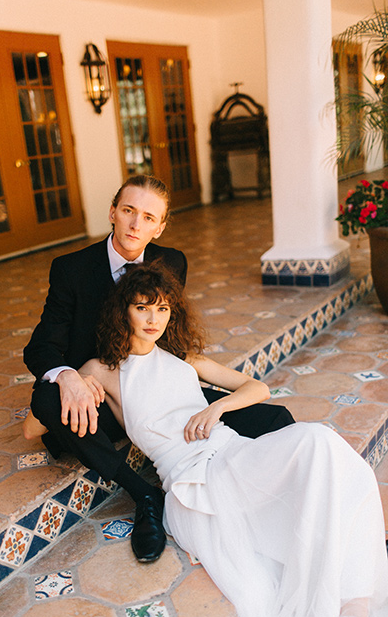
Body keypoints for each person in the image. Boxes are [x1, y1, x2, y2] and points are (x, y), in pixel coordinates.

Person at [26, 262, 388, 617]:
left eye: (162, 308)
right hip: (192, 484)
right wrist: (68, 379)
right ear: (124, 312)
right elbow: (30, 427)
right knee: (325, 489)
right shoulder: (104, 370)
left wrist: (219, 410)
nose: (154, 319)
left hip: (233, 452)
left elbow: (257, 386)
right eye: (142, 308)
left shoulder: (183, 359)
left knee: (328, 452)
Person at [23, 175, 294, 564]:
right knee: (47, 399)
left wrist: (200, 393)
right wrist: (70, 377)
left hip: (157, 389)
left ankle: (269, 491)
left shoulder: (171, 261)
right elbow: (41, 347)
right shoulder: (71, 269)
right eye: (129, 211)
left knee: (275, 418)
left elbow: (165, 335)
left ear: (160, 225)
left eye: (149, 217)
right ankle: (144, 494)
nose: (136, 225)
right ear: (113, 212)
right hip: (97, 392)